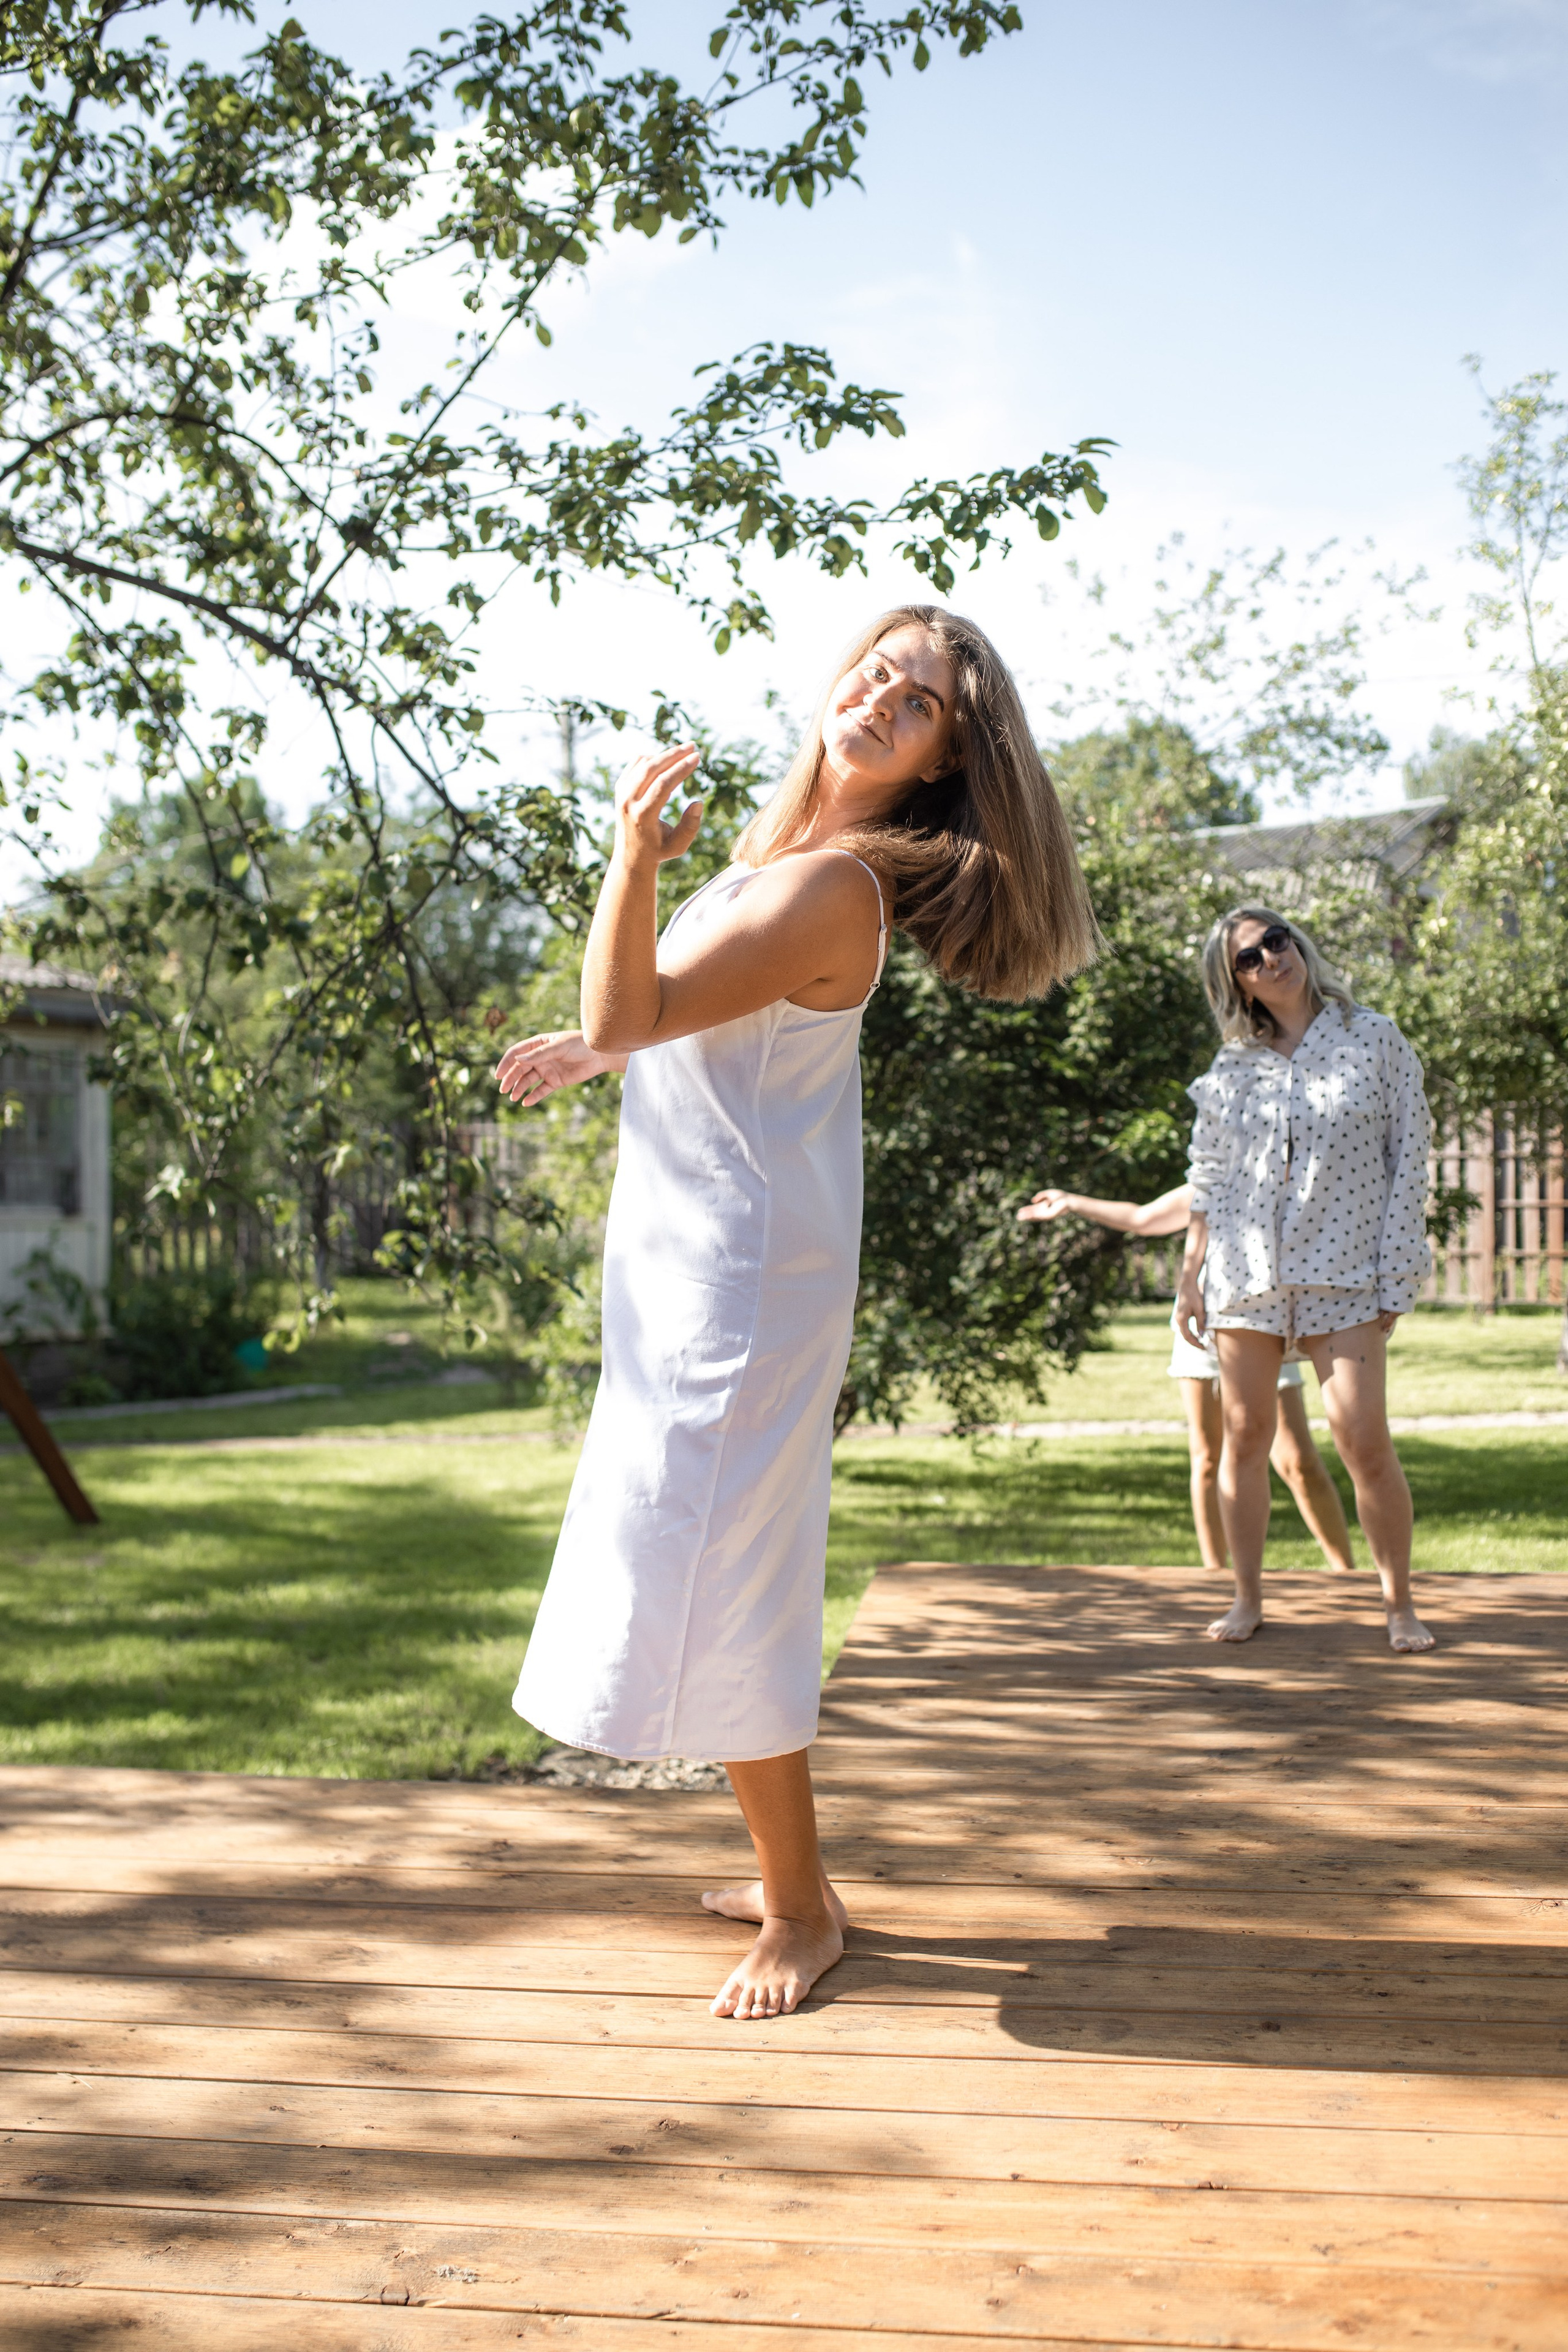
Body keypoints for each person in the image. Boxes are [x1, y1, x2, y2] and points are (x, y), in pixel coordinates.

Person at [494, 608, 1097, 2021]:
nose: (884, 693)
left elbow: (642, 1005)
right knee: (703, 1545)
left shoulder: (835, 883)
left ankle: (801, 1904)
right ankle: (789, 1874)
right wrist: (604, 1042)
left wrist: (632, 860)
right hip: (699, 1257)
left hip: (739, 1277)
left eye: (924, 698)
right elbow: (682, 1016)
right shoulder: (783, 861)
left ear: (947, 758)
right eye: (877, 666)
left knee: (719, 1561)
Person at [1174, 907, 1436, 1653]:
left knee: (1363, 1442)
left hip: (1347, 1271)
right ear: (1237, 985)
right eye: (1248, 959)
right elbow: (1210, 1181)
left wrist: (1395, 1271)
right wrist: (1190, 1279)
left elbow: (1408, 1160)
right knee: (1246, 1436)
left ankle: (1398, 1605)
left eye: (1274, 941)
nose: (1268, 960)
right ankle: (1247, 1597)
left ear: (1298, 943)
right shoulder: (1233, 1068)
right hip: (1244, 1275)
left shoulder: (1374, 1039)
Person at [1017, 1180, 1355, 1578]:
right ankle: (1214, 1577)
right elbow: (1143, 1217)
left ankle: (1350, 1577)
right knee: (1208, 1459)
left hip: (1268, 1327)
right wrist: (1073, 1202)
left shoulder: (1300, 1179)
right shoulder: (1220, 1177)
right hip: (1204, 1329)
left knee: (1298, 1461)